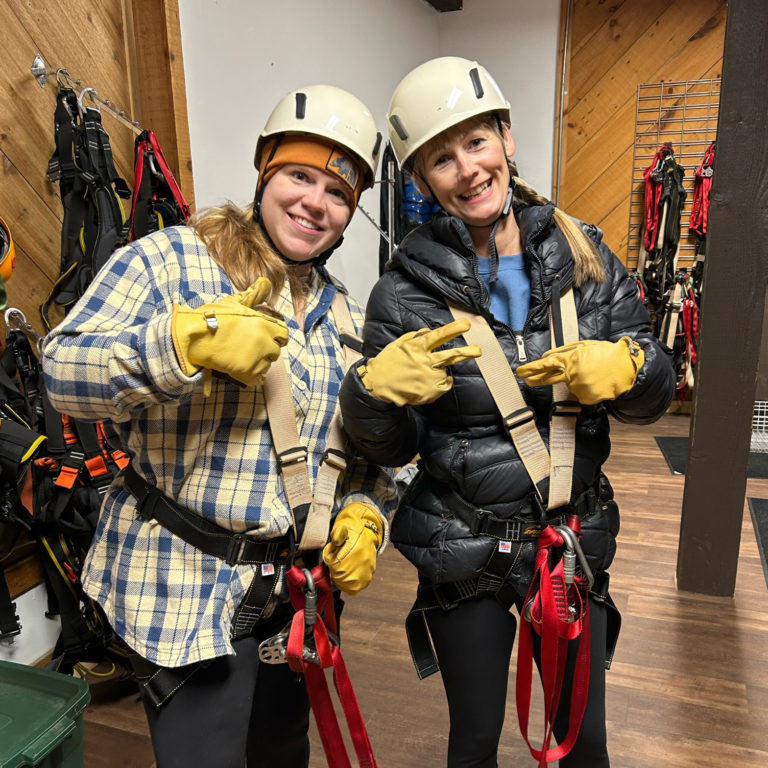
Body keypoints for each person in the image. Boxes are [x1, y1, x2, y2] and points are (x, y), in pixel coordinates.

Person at [41, 84, 396, 768]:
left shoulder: (343, 318)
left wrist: (364, 512)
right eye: (299, 176)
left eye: (337, 192)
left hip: (297, 597)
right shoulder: (172, 261)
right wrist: (181, 345)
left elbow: (355, 457)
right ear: (266, 173)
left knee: (282, 754)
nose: (313, 203)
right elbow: (62, 370)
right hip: (188, 593)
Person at [339, 57, 676, 768]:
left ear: (506, 138)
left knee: (584, 742)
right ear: (424, 180)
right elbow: (393, 447)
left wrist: (632, 368)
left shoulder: (583, 255)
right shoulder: (403, 295)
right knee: (473, 740)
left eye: (476, 141)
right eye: (442, 157)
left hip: (571, 538)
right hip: (467, 543)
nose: (467, 168)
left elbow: (656, 391)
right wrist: (370, 394)